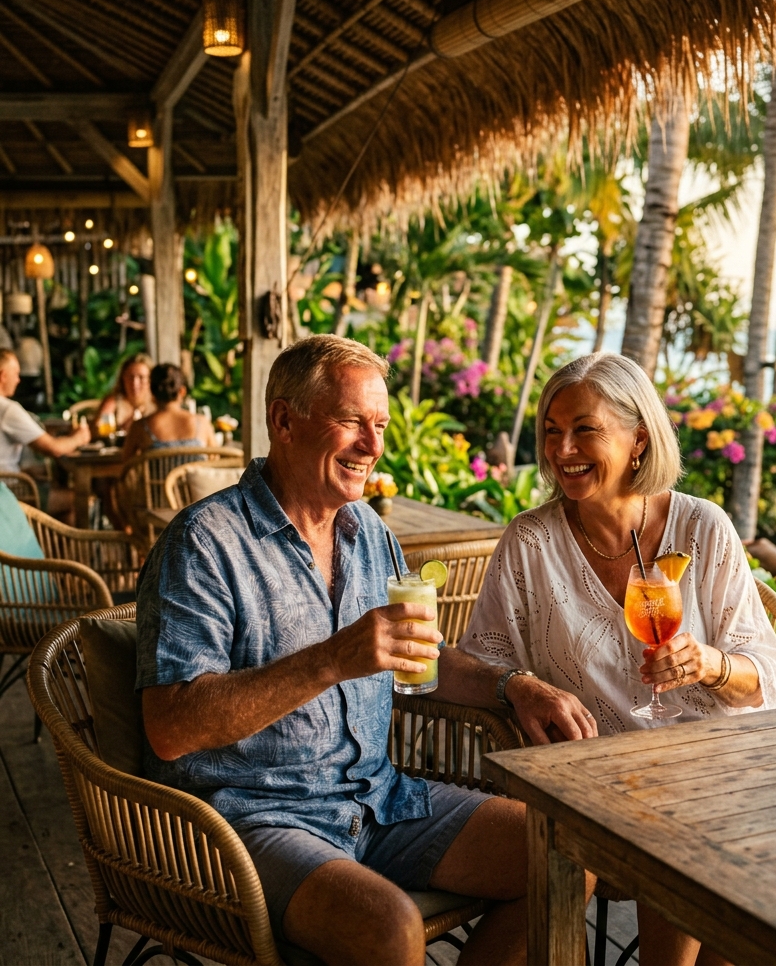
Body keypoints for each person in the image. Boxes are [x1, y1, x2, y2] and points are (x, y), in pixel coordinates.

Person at [136, 336, 592, 966]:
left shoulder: (369, 532)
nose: (372, 446)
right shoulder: (204, 542)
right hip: (250, 821)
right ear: (283, 420)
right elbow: (169, 727)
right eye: (351, 421)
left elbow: (418, 658)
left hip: (378, 799)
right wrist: (331, 660)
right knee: (388, 927)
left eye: (378, 425)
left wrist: (512, 684)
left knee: (565, 852)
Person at [454, 351, 776, 966]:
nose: (563, 449)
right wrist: (520, 685)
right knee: (677, 831)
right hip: (600, 783)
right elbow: (475, 664)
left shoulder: (702, 529)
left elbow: (767, 675)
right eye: (552, 431)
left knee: (701, 835)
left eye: (585, 428)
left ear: (639, 439)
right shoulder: (532, 542)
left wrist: (708, 664)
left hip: (717, 772)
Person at [0, 348, 90, 474]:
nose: (18, 380)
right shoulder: (8, 410)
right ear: (3, 375)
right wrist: (80, 437)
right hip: (7, 486)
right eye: (15, 374)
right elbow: (54, 448)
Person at [121, 363, 216, 461]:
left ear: (152, 391)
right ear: (182, 391)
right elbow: (214, 460)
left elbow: (126, 465)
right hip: (194, 476)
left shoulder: (140, 427)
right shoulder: (202, 423)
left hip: (157, 477)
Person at [92, 354, 155, 436]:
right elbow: (98, 427)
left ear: (150, 380)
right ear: (123, 378)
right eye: (131, 377)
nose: (135, 383)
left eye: (141, 377)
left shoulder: (157, 402)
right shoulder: (113, 402)